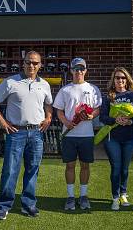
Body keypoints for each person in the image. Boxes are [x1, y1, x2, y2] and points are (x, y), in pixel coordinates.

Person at [0, 51, 53, 220]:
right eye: (28, 62)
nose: (31, 66)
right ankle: (4, 206)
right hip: (16, 133)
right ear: (22, 63)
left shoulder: (45, 84)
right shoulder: (10, 82)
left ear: (40, 65)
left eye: (35, 63)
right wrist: (3, 123)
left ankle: (28, 205)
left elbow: (48, 104)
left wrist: (48, 117)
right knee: (10, 170)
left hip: (37, 134)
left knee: (33, 169)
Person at [53, 57, 102, 210]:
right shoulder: (65, 90)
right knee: (70, 166)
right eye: (76, 68)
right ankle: (70, 197)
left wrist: (91, 116)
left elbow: (97, 108)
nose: (79, 71)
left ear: (86, 70)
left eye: (81, 68)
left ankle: (83, 196)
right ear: (71, 70)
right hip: (69, 135)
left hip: (86, 135)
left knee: (85, 166)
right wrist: (66, 122)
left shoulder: (93, 88)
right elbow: (59, 110)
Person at [99, 67, 133, 210]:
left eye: (123, 78)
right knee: (116, 167)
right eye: (117, 78)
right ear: (113, 80)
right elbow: (103, 117)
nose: (120, 80)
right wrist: (115, 119)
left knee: (125, 168)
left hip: (129, 138)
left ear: (127, 79)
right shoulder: (108, 97)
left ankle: (123, 193)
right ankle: (115, 197)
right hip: (113, 138)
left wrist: (130, 121)